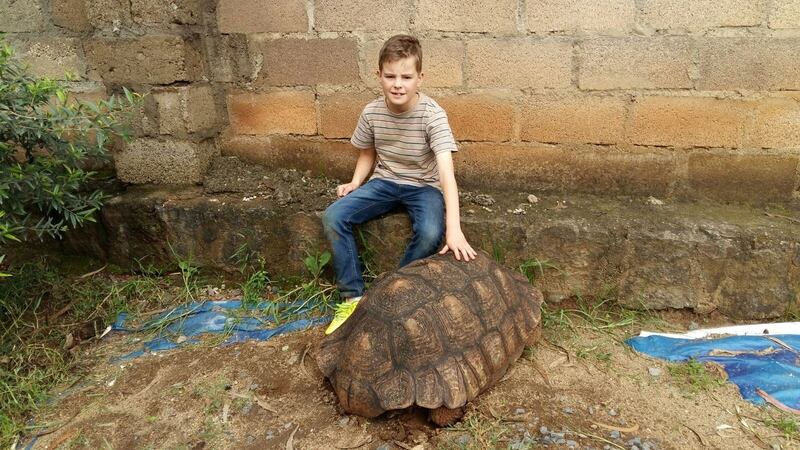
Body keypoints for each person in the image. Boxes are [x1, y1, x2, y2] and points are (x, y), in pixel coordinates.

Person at [322, 34, 477, 335]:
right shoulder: (372, 112)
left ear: (420, 78)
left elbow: (447, 174)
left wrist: (454, 228)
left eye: (406, 77)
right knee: (333, 215)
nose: (398, 84)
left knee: (432, 231)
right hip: (385, 182)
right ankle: (352, 298)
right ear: (378, 75)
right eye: (390, 76)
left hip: (424, 187)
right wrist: (356, 182)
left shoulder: (433, 116)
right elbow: (367, 150)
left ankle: (392, 294)